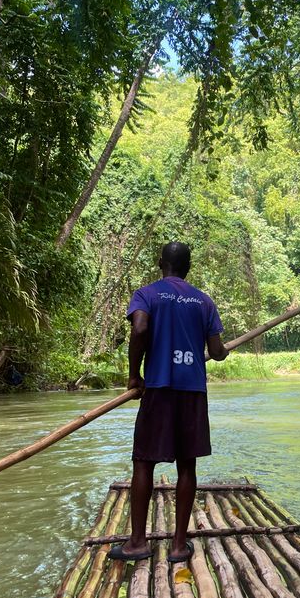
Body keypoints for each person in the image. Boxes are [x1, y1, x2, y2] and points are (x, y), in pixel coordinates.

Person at [107, 241, 227, 564]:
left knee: (144, 461)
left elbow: (140, 327)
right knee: (187, 465)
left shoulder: (146, 294)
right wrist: (223, 351)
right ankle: (177, 547)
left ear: (161, 262)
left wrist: (135, 376)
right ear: (188, 267)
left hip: (158, 388)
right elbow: (215, 351)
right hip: (192, 393)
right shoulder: (203, 301)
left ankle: (137, 543)